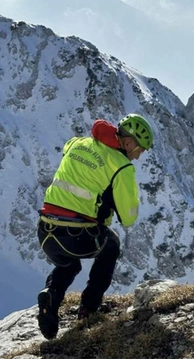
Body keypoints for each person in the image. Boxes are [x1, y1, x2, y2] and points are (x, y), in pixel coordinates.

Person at [36, 113, 153, 340]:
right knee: (111, 244)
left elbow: (67, 147)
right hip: (76, 234)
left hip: (46, 230)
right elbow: (128, 217)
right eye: (140, 149)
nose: (138, 156)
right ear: (128, 143)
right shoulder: (122, 166)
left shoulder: (79, 143)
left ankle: (51, 295)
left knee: (69, 265)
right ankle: (89, 309)